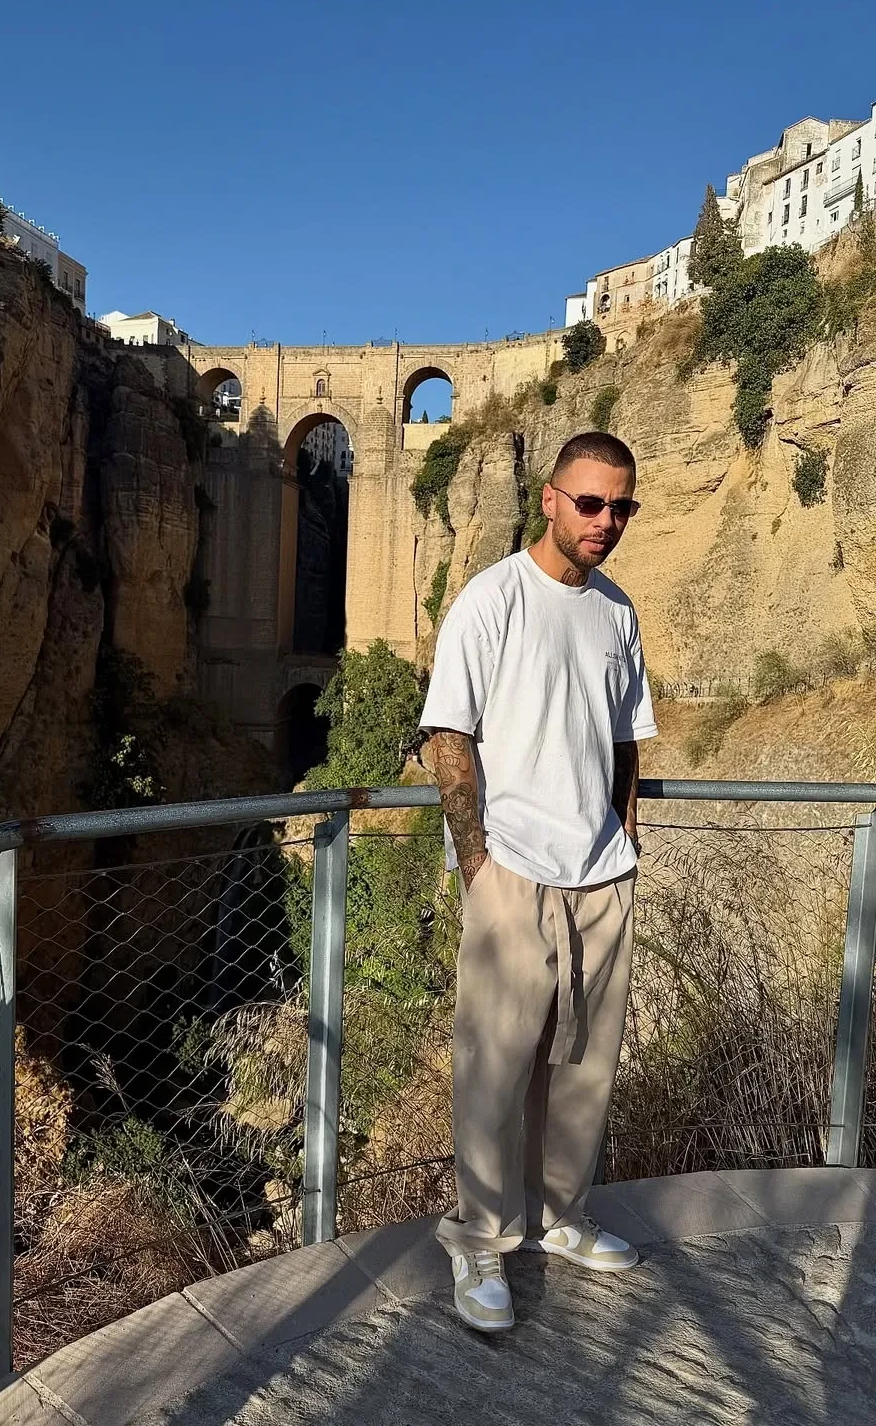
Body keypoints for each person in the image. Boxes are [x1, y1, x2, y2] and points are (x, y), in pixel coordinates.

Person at [419, 430, 657, 1333]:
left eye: (621, 507)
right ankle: (480, 1240)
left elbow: (627, 736)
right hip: (513, 869)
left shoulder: (617, 611)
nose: (606, 521)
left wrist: (625, 829)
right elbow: (449, 735)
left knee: (584, 1067)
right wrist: (478, 865)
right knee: (495, 1065)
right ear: (550, 498)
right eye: (590, 502)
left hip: (602, 871)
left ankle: (561, 1217)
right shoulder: (492, 600)